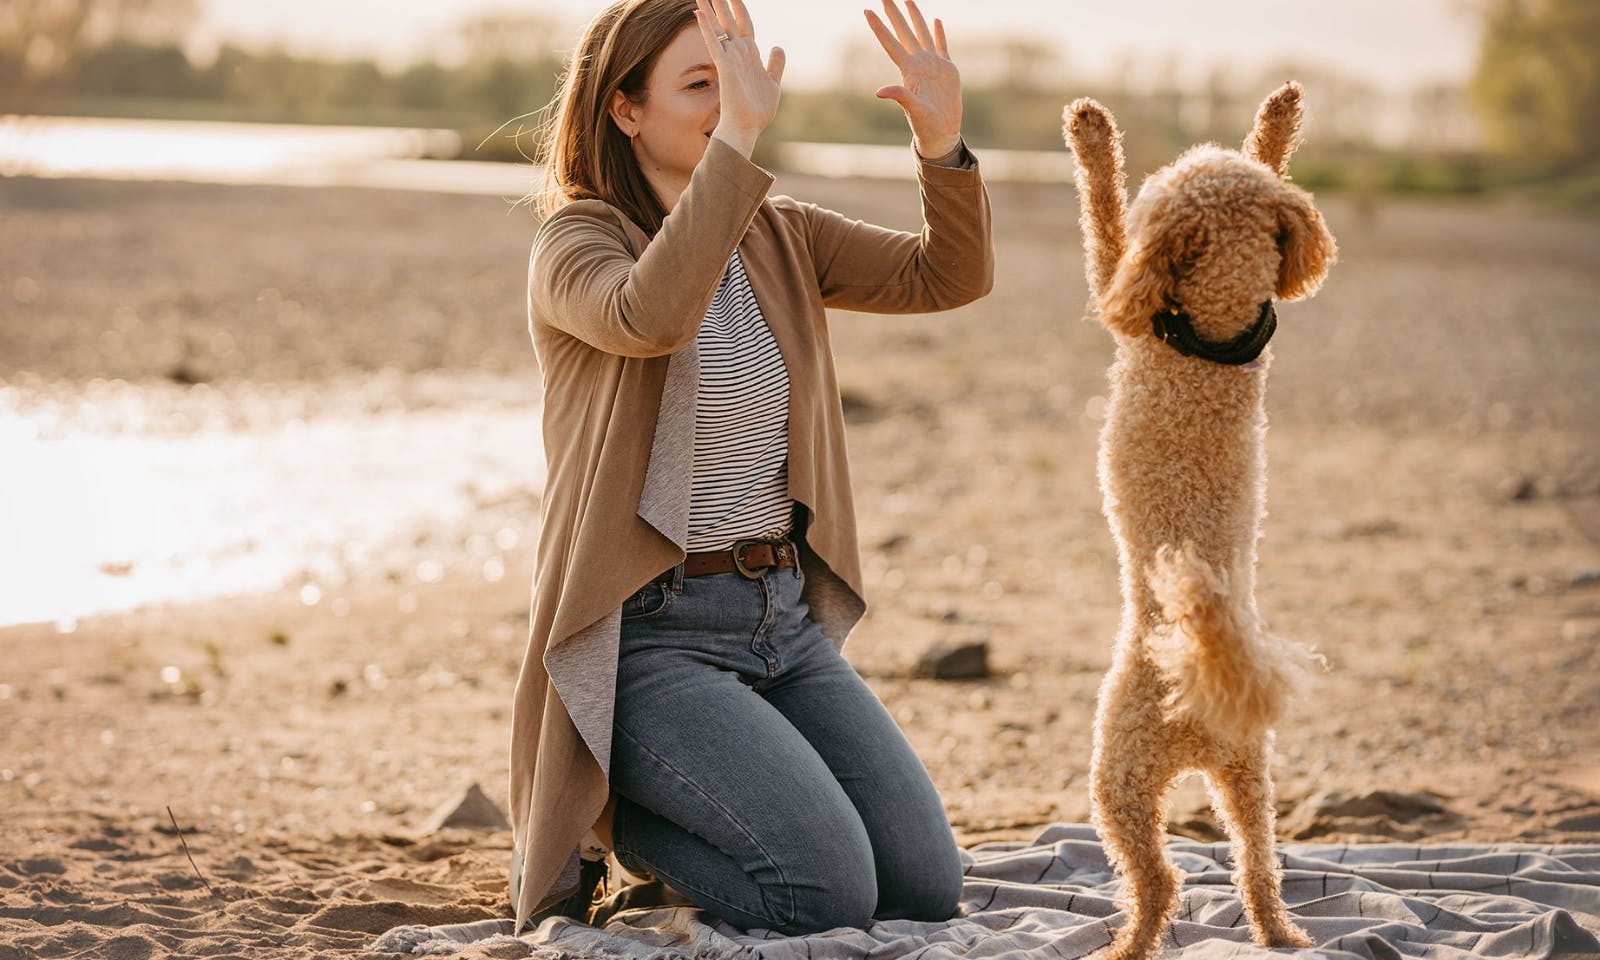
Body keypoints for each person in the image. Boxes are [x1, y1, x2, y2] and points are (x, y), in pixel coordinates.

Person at [508, 0, 993, 937]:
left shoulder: (782, 234)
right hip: (652, 636)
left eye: (733, 80)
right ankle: (609, 816)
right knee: (826, 895)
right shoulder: (577, 243)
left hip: (780, 621)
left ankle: (684, 806)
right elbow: (652, 316)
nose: (729, 100)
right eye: (701, 84)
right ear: (625, 111)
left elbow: (948, 276)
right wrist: (740, 141)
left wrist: (942, 145)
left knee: (925, 884)